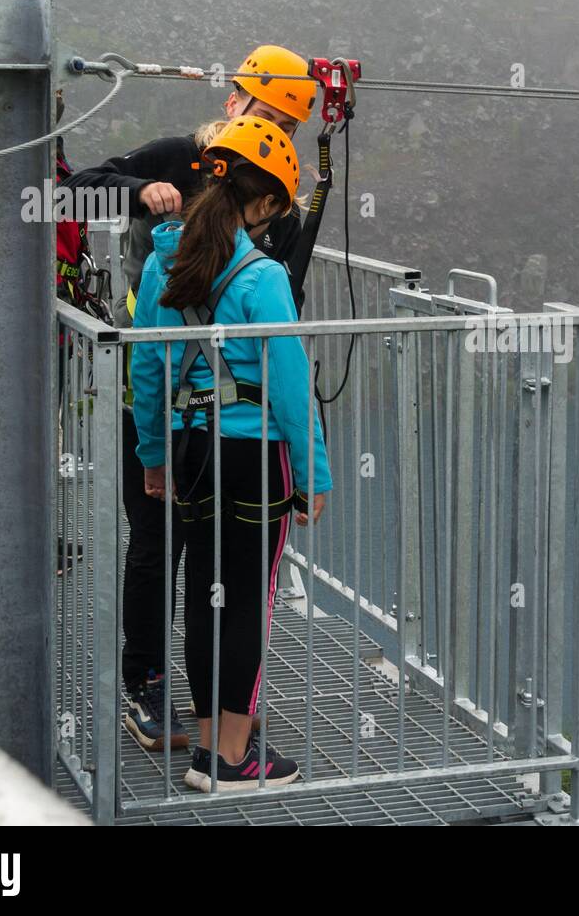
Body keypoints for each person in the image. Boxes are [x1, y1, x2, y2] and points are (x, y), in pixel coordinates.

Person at [59, 45, 319, 750]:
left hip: (209, 404)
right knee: (156, 540)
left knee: (212, 559)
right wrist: (138, 192)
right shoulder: (176, 157)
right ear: (235, 100)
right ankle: (145, 684)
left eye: (287, 126)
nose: (274, 132)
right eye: (266, 113)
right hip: (158, 387)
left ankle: (217, 710)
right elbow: (71, 193)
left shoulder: (273, 195)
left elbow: (277, 302)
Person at [129, 116, 332, 790]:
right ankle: (233, 757)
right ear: (268, 203)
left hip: (189, 451)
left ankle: (209, 748)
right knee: (248, 599)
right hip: (251, 454)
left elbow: (150, 372)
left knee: (205, 593)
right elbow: (290, 384)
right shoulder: (262, 276)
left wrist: (154, 456)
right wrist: (312, 475)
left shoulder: (166, 262)